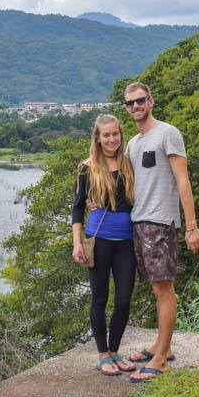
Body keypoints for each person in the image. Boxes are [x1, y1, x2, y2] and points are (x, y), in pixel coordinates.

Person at [122, 82, 199, 383]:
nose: (135, 107)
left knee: (163, 289)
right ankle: (160, 346)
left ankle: (162, 359)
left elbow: (183, 181)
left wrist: (191, 226)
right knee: (155, 287)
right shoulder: (133, 143)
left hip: (161, 223)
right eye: (130, 103)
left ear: (151, 101)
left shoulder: (168, 133)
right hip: (139, 221)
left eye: (140, 101)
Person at [72, 114, 138, 376]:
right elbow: (77, 209)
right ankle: (103, 355)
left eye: (115, 134)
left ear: (121, 135)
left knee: (123, 300)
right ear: (97, 139)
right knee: (99, 298)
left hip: (126, 241)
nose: (111, 139)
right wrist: (77, 244)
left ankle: (114, 350)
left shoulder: (129, 165)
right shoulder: (86, 168)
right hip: (98, 240)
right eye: (106, 135)